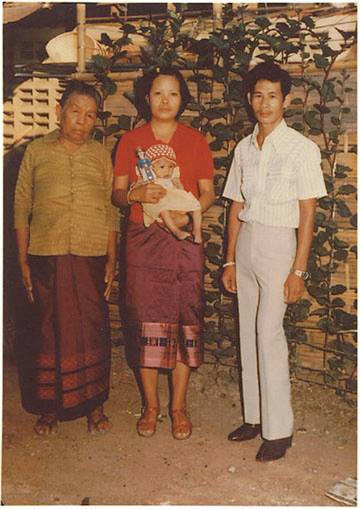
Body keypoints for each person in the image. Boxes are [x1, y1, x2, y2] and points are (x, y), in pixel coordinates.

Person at [222, 62, 327, 462]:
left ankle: (279, 430)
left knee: (268, 333)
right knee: (248, 330)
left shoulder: (302, 148)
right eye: (257, 95)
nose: (264, 103)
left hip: (280, 244)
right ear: (250, 100)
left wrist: (298, 270)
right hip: (247, 242)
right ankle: (254, 416)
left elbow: (307, 212)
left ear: (286, 100)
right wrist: (229, 261)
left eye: (272, 95)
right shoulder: (244, 148)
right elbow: (236, 204)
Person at [112, 67, 215, 440]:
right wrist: (137, 196)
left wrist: (186, 213)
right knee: (145, 317)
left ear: (182, 99)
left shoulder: (195, 141)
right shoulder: (130, 141)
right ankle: (151, 406)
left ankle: (178, 406)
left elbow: (208, 192)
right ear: (146, 98)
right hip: (143, 241)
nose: (166, 100)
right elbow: (117, 193)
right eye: (158, 93)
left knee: (184, 314)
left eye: (173, 93)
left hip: (185, 240)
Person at [14, 80, 119, 435]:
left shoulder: (100, 155)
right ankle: (49, 409)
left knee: (91, 330)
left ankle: (94, 407)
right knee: (48, 329)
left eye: (91, 116)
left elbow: (109, 209)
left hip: (89, 255)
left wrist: (111, 259)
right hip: (46, 254)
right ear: (60, 113)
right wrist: (23, 261)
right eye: (75, 112)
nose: (82, 121)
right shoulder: (36, 153)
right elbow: (20, 208)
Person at [137, 143, 202, 243]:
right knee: (163, 209)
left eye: (170, 167)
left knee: (196, 206)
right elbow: (140, 189)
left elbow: (181, 192)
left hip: (173, 198)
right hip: (159, 201)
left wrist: (179, 185)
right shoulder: (149, 179)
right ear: (152, 168)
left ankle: (197, 230)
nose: (167, 170)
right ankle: (176, 231)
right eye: (162, 167)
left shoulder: (173, 178)